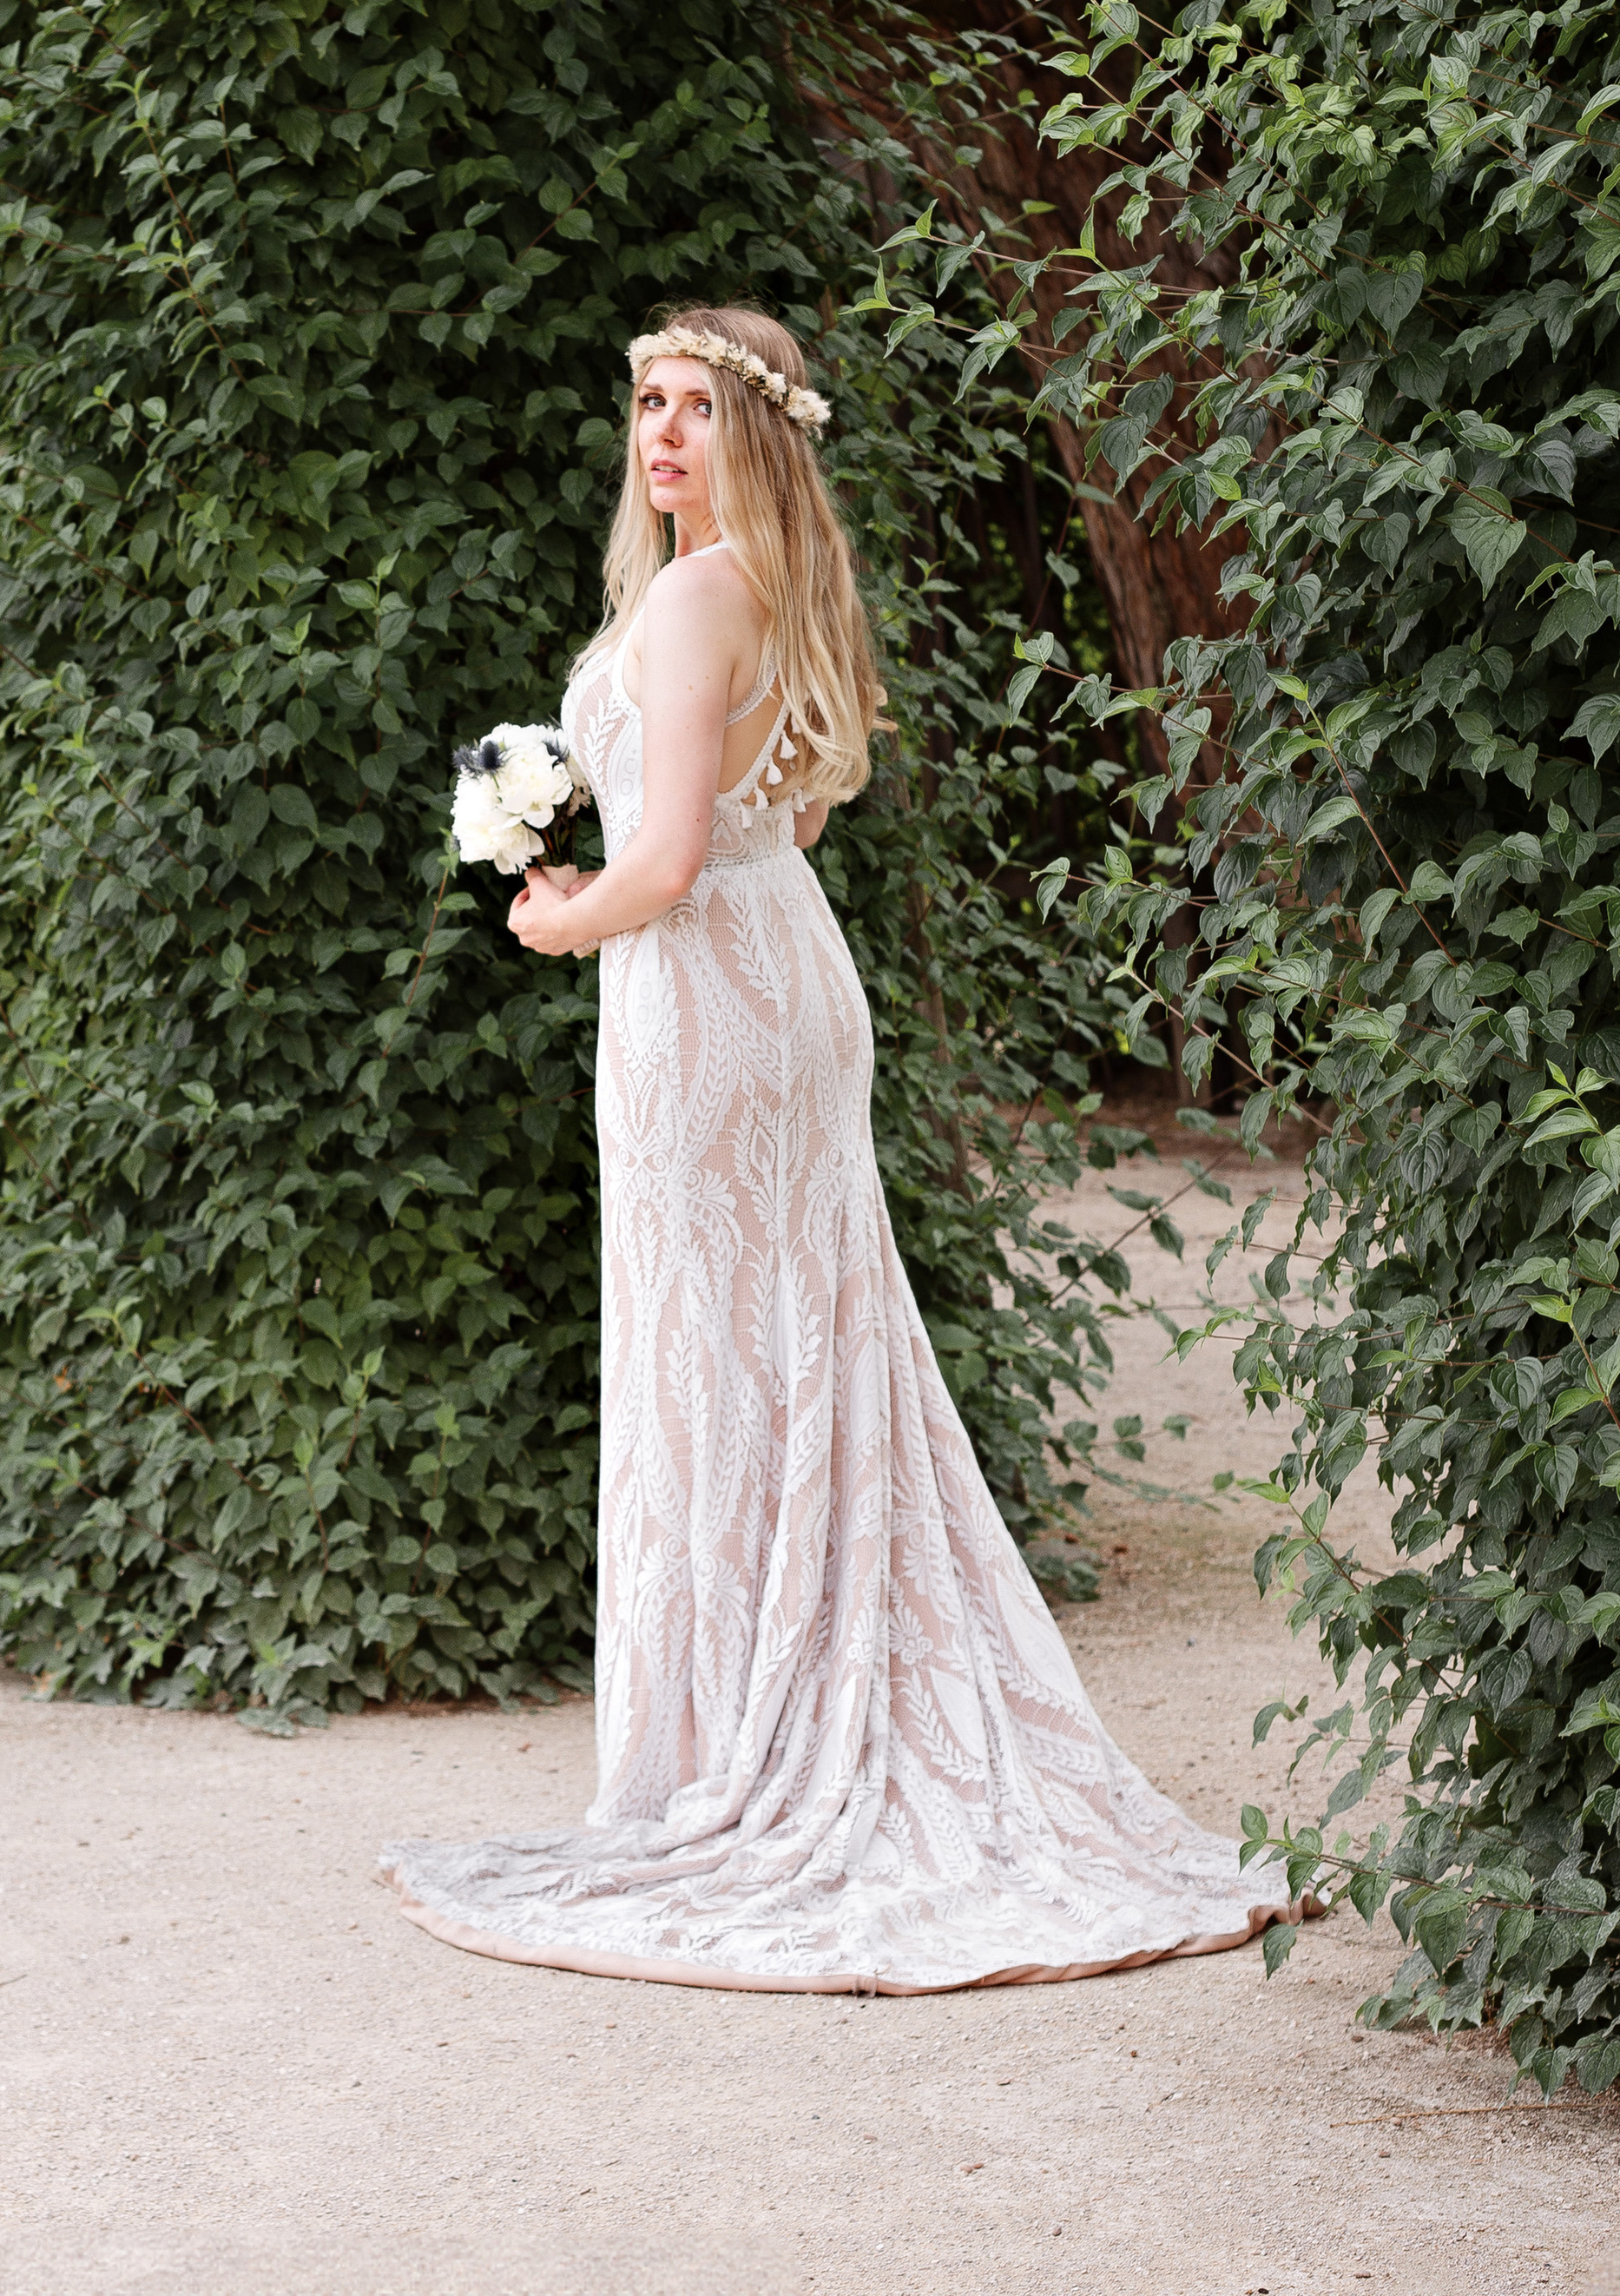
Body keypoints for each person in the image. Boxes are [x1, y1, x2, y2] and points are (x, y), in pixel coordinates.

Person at [382, 303, 1303, 1993]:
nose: (662, 434)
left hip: (698, 993)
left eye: (695, 406)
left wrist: (561, 913)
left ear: (755, 428)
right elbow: (795, 811)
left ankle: (741, 1739)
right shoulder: (783, 580)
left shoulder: (689, 596)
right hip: (787, 965)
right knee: (797, 1335)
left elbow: (667, 859)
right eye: (647, 401)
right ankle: (800, 1693)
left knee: (713, 1354)